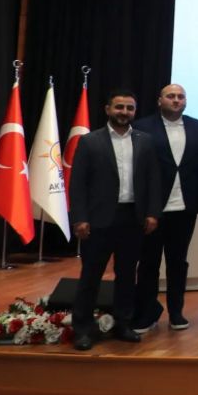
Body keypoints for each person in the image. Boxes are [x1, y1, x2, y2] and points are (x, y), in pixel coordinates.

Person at [68, 89, 162, 351]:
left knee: (127, 275)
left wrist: (152, 213)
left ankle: (123, 323)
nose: (124, 112)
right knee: (91, 276)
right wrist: (80, 218)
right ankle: (83, 329)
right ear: (108, 109)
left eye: (130, 108)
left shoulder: (145, 141)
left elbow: (153, 180)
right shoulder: (90, 141)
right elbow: (78, 184)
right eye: (119, 107)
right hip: (98, 220)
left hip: (133, 218)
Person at [132, 83, 198, 333]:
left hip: (185, 208)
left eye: (180, 97)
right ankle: (147, 313)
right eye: (171, 96)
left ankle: (176, 312)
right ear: (159, 100)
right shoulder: (142, 127)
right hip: (153, 210)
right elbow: (138, 171)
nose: (176, 100)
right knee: (149, 262)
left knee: (178, 263)